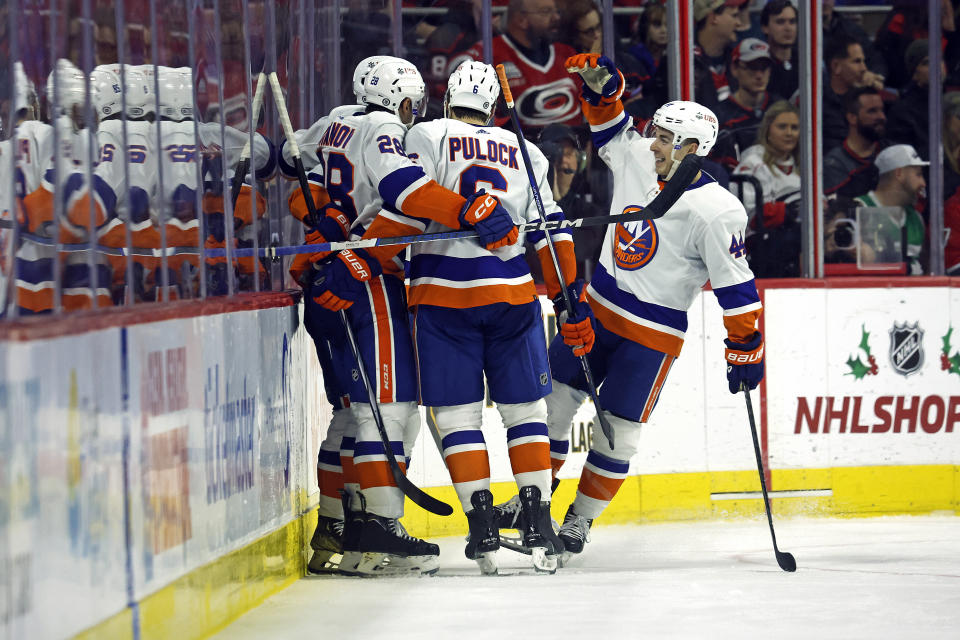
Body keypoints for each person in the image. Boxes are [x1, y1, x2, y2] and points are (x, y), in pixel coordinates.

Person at [542, 54, 764, 558]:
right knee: (551, 406)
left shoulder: (718, 210)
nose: (653, 143)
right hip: (595, 310)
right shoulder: (641, 156)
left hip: (650, 335)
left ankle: (578, 521)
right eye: (655, 132)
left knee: (617, 435)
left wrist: (745, 348)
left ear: (693, 149)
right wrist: (604, 91)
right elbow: (608, 127)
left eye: (665, 137)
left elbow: (737, 290)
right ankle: (534, 506)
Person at [365, 61, 581, 574]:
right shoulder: (527, 153)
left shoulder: (428, 133)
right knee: (525, 413)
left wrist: (368, 249)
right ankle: (536, 517)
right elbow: (554, 232)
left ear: (448, 99)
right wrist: (567, 293)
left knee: (460, 418)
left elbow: (406, 206)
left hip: (444, 298)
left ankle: (482, 526)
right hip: (513, 298)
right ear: (494, 107)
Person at [308, 58, 520, 576]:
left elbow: (297, 178)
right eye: (411, 101)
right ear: (399, 99)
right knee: (388, 407)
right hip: (366, 276)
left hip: (329, 275)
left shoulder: (333, 120)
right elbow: (406, 189)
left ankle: (336, 526)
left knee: (350, 412)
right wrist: (469, 210)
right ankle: (376, 528)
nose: (414, 112)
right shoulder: (383, 126)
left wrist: (326, 219)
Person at [456, 0, 581, 129]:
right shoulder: (488, 53)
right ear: (521, 20)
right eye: (546, 12)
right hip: (520, 145)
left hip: (577, 143)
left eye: (556, 11)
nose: (556, 17)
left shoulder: (566, 53)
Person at [733, 101, 801, 278]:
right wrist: (786, 212)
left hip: (793, 236)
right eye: (782, 127)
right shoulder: (753, 163)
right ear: (768, 130)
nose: (789, 133)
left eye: (794, 128)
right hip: (758, 243)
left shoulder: (805, 165)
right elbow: (749, 216)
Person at [853, 144, 928, 275]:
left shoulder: (917, 219)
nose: (923, 183)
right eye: (918, 174)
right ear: (899, 173)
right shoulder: (860, 209)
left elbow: (928, 269)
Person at [712, 38, 780, 171]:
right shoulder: (719, 117)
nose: (759, 75)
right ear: (734, 69)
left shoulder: (780, 109)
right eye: (752, 67)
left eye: (764, 68)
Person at [823, 87, 886, 199]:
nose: (882, 117)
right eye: (872, 111)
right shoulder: (834, 163)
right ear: (852, 118)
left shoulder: (890, 151)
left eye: (882, 110)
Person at [886, 40, 945, 160]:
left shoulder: (950, 103)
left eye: (940, 59)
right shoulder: (902, 112)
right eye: (927, 62)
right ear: (914, 73)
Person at [822, 34, 875, 153]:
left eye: (863, 61)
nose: (864, 68)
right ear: (836, 66)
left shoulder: (866, 97)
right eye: (857, 62)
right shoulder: (818, 103)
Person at [693, 0, 748, 110]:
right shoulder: (682, 63)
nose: (739, 23)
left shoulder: (740, 58)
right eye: (734, 16)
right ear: (713, 18)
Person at [618, 2, 669, 121]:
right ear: (645, 27)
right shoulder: (632, 58)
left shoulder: (674, 58)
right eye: (657, 25)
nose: (663, 30)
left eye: (667, 25)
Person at [760, 0, 798, 101]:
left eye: (792, 22)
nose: (788, 28)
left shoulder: (807, 62)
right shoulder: (759, 66)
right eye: (780, 22)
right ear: (765, 27)